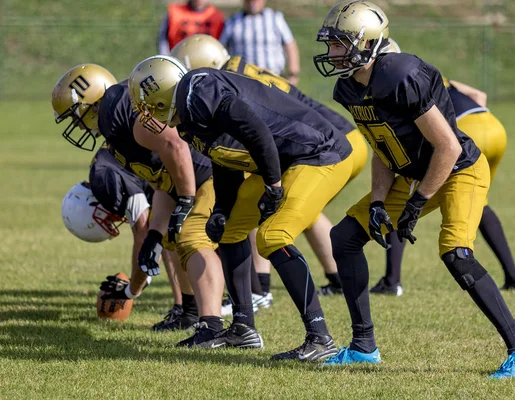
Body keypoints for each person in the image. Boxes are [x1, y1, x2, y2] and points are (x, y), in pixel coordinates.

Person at [313, 1, 515, 378]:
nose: (332, 53)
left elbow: (448, 147)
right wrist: (375, 202)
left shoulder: (400, 76)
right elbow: (383, 148)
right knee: (345, 236)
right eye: (332, 44)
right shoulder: (349, 89)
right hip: (414, 174)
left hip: (458, 169)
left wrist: (417, 203)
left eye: (340, 44)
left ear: (367, 44)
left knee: (457, 254)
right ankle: (363, 347)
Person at [128, 54, 356, 361]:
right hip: (285, 160)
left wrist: (274, 185)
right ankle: (243, 328)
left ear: (163, 93)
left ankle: (320, 337)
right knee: (229, 229)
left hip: (317, 153)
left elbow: (255, 129)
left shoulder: (201, 91)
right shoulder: (189, 115)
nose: (147, 113)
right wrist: (222, 206)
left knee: (273, 236)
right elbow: (226, 158)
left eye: (148, 104)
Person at [52, 63, 263, 349]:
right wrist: (155, 233)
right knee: (173, 239)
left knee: (192, 237)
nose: (76, 124)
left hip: (209, 169)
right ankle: (197, 316)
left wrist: (187, 198)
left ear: (90, 101)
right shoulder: (114, 129)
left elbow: (174, 144)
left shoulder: (116, 111)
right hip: (198, 173)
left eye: (74, 115)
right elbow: (163, 180)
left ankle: (213, 327)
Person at [169, 33, 369, 297]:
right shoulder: (239, 71)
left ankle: (261, 287)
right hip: (340, 137)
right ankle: (336, 278)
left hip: (325, 142)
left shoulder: (214, 87)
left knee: (267, 205)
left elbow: (255, 130)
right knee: (300, 208)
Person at [367, 39, 515, 296]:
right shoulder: (432, 75)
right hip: (493, 127)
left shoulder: (397, 84)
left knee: (404, 195)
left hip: (464, 135)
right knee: (479, 202)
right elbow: (479, 97)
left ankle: (392, 280)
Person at [219, 0, 300, 85]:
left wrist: (293, 73)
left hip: (274, 78)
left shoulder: (275, 18)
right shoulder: (232, 21)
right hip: (243, 81)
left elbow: (290, 45)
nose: (252, 3)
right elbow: (221, 49)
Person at [158, 0, 224, 55]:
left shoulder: (216, 16)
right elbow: (163, 40)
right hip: (179, 57)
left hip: (208, 60)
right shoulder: (174, 12)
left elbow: (222, 43)